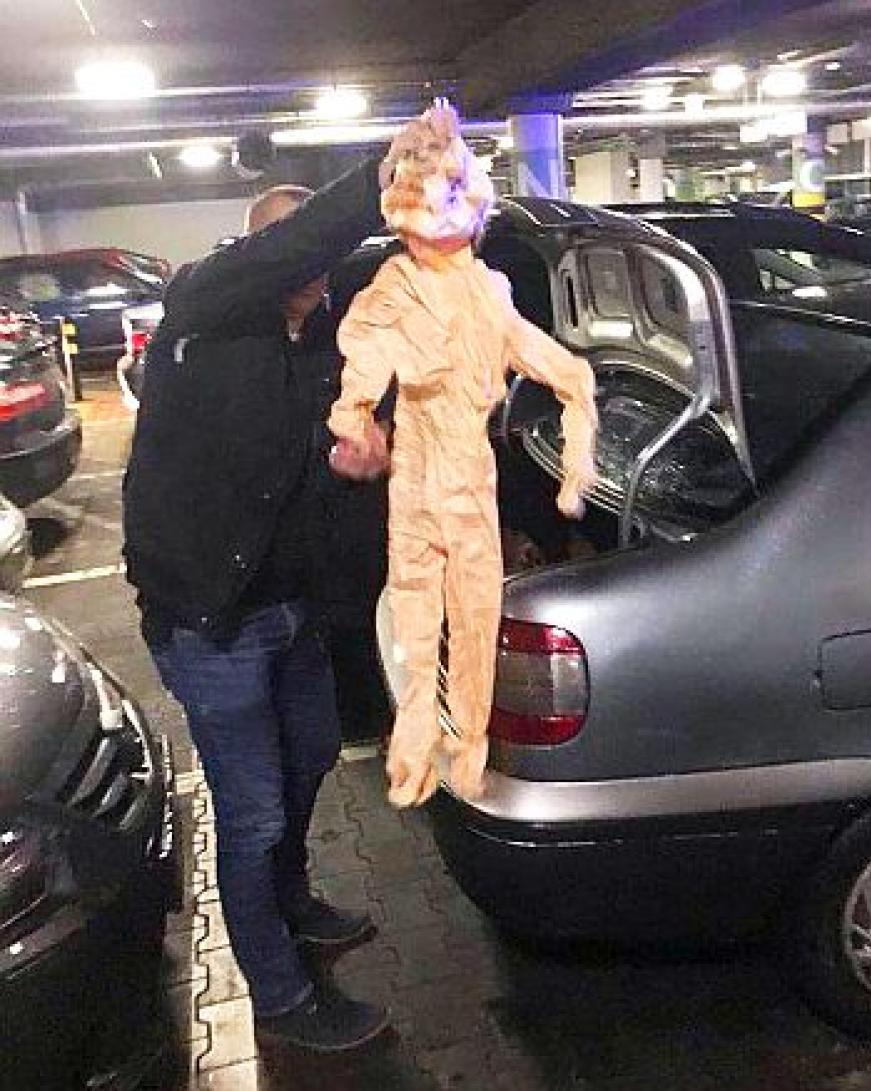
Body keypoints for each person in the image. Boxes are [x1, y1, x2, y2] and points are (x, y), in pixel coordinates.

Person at [123, 161, 391, 1053]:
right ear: (256, 252)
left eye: (320, 264)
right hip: (212, 620)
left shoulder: (318, 350)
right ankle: (279, 994)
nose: (313, 275)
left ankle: (291, 898)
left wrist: (365, 463)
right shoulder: (203, 311)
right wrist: (386, 175)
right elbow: (298, 241)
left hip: (290, 610)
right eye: (294, 253)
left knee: (311, 756)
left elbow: (317, 472)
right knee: (253, 812)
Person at [328, 105, 597, 808]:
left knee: (473, 615)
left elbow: (561, 368)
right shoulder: (396, 286)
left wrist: (578, 460)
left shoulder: (487, 290)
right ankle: (420, 745)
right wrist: (356, 416)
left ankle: (463, 750)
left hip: (465, 469)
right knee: (420, 615)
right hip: (421, 466)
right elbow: (366, 358)